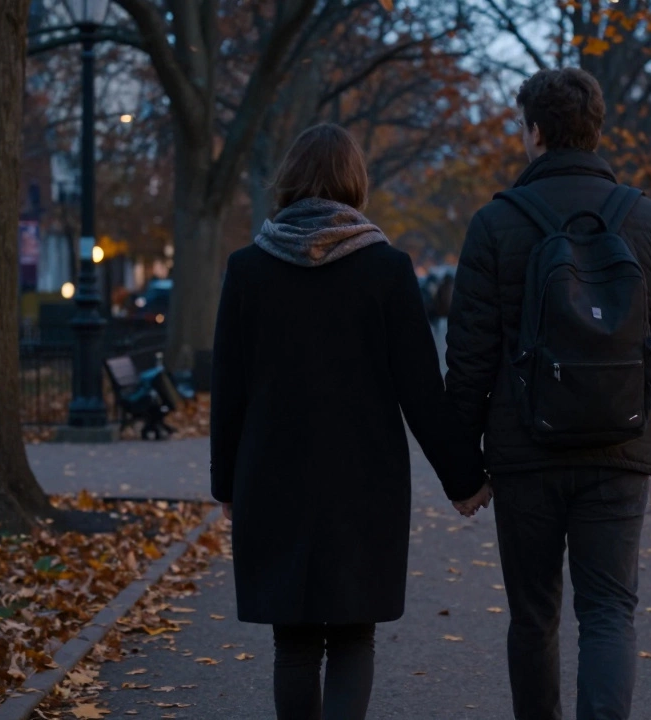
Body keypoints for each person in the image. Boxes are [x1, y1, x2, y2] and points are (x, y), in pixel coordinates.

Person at [210, 123, 492, 720]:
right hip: (364, 479)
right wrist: (465, 478)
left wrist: (225, 484)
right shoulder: (387, 270)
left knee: (294, 641)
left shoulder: (248, 270)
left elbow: (227, 391)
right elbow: (421, 388)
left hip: (272, 473)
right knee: (353, 635)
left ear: (288, 180)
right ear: (354, 183)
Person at [445, 67, 651, 720]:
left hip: (525, 451)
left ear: (534, 133)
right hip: (622, 442)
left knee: (533, 617)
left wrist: (462, 472)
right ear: (597, 130)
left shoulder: (495, 225)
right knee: (610, 612)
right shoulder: (648, 220)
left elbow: (469, 360)